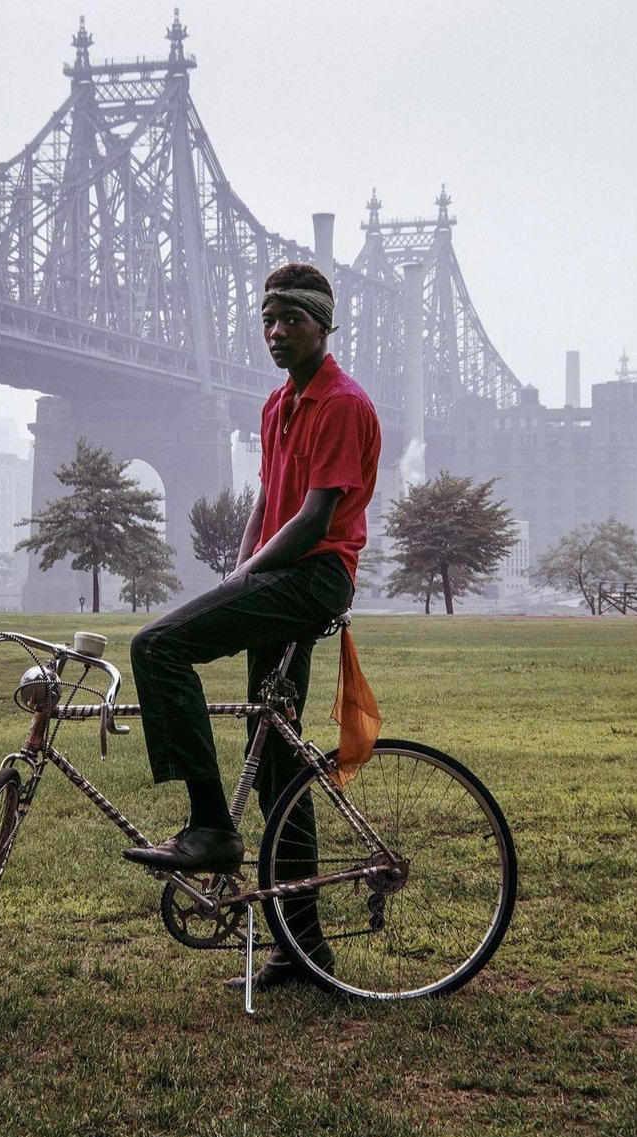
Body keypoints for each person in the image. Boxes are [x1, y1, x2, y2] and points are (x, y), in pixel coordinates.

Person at [124, 262, 381, 988]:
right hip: (279, 573)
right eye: (268, 320)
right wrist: (237, 570)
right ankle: (304, 950)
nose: (275, 332)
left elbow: (313, 521)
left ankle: (210, 828)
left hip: (313, 577)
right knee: (278, 766)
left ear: (323, 326)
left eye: (291, 320)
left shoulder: (341, 403)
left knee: (159, 646)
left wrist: (249, 577)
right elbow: (268, 499)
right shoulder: (278, 405)